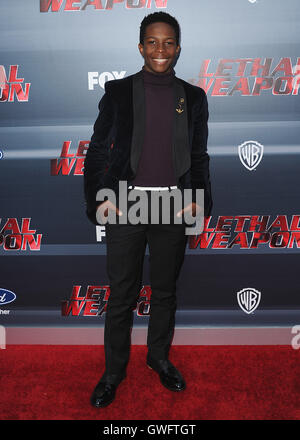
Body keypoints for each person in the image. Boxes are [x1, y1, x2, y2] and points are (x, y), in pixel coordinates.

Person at [83, 11, 213, 408]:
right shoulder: (119, 91)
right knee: (121, 294)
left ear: (178, 48)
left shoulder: (193, 98)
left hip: (174, 204)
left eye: (168, 42)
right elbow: (98, 152)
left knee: (165, 292)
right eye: (153, 42)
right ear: (141, 47)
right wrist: (100, 200)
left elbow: (198, 155)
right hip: (127, 202)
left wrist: (198, 201)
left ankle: (158, 358)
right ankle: (113, 372)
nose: (161, 49)